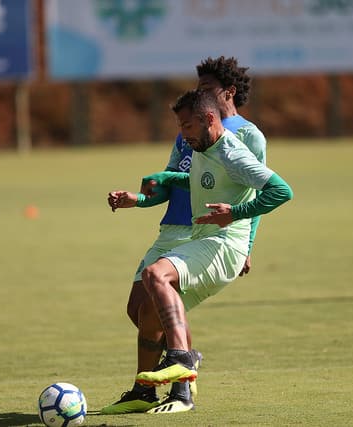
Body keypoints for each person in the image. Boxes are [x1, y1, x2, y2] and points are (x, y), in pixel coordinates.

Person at [101, 57, 267, 415]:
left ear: (228, 92)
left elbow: (256, 192)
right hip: (171, 226)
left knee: (159, 305)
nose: (198, 93)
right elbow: (173, 179)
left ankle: (180, 386)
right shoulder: (187, 131)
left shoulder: (247, 134)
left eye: (206, 88)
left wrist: (247, 246)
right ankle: (167, 374)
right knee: (139, 310)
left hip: (202, 231)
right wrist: (141, 199)